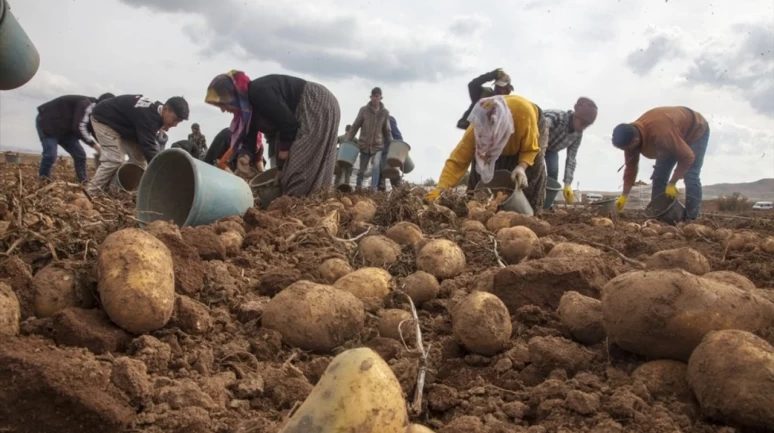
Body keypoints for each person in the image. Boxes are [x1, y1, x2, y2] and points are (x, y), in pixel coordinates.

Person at [205, 71, 341, 196]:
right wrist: (244, 156)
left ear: (233, 96)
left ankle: (298, 206)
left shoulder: (259, 92)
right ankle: (307, 201)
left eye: (222, 104)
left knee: (297, 169)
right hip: (312, 109)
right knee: (294, 169)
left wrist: (282, 162)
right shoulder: (249, 108)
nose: (223, 110)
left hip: (316, 103)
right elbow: (250, 135)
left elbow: (288, 124)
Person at [428, 94, 549, 212]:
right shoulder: (475, 130)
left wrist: (521, 167)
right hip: (509, 130)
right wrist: (440, 189)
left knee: (534, 166)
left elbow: (530, 149)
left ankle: (532, 211)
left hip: (532, 124)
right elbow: (457, 160)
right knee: (481, 161)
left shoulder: (523, 116)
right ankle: (481, 206)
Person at [611, 106, 710, 220]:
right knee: (659, 177)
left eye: (627, 148)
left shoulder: (662, 134)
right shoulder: (630, 139)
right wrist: (625, 195)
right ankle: (657, 215)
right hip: (671, 137)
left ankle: (691, 219)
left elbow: (688, 157)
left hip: (695, 130)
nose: (627, 151)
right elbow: (630, 168)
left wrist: (672, 182)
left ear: (635, 140)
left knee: (691, 175)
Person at [86, 94, 189, 194]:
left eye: (178, 122)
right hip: (103, 119)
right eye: (175, 119)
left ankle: (113, 190)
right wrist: (162, 173)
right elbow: (149, 148)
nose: (175, 124)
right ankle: (90, 192)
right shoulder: (149, 117)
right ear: (166, 109)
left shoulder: (157, 112)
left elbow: (148, 144)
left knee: (139, 160)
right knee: (115, 159)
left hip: (122, 126)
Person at [35, 93, 114, 183]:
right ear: (103, 104)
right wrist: (94, 145)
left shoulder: (95, 114)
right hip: (49, 123)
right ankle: (43, 180)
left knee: (80, 155)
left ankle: (82, 181)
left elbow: (94, 130)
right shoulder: (86, 104)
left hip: (65, 131)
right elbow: (79, 126)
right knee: (50, 155)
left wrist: (105, 147)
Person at [543, 97, 599, 205]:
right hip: (534, 144)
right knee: (534, 171)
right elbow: (537, 133)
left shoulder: (578, 134)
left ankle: (545, 206)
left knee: (553, 173)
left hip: (551, 150)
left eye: (587, 125)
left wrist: (567, 184)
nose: (583, 127)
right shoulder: (556, 117)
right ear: (576, 115)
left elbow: (571, 158)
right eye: (582, 123)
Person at [345, 87, 392, 190]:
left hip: (378, 145)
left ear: (380, 98)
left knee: (376, 167)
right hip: (364, 144)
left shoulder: (385, 113)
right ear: (370, 97)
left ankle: (373, 188)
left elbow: (387, 131)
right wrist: (347, 140)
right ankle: (358, 186)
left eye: (377, 96)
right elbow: (355, 126)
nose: (375, 99)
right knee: (361, 169)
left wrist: (392, 145)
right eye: (373, 96)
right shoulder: (364, 110)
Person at [378, 116, 403, 191]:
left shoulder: (389, 119)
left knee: (392, 172)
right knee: (381, 174)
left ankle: (398, 193)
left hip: (390, 152)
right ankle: (381, 194)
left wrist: (396, 149)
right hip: (380, 152)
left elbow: (398, 137)